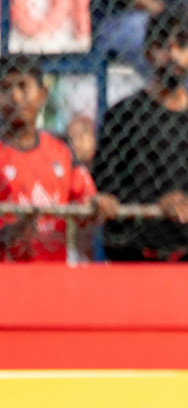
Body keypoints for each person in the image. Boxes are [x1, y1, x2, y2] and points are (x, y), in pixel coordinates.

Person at [94, 8, 188, 262]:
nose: (172, 55)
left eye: (182, 45)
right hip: (132, 252)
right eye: (162, 46)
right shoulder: (124, 114)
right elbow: (106, 188)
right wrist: (158, 204)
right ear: (148, 53)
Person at [0, 55, 115, 261]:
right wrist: (14, 231)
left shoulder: (61, 150)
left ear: (42, 94)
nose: (15, 97)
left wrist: (98, 205)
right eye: (5, 89)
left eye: (23, 87)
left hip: (54, 275)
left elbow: (86, 202)